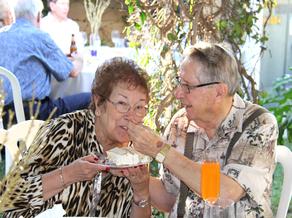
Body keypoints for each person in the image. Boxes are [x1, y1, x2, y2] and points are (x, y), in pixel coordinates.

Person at [128, 42, 278, 217]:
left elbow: (223, 192)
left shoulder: (258, 123)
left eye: (188, 86)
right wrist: (133, 176)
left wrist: (161, 150)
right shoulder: (180, 123)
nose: (178, 93)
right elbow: (169, 199)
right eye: (179, 82)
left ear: (219, 92)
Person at [1, 57, 151, 217]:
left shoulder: (135, 155)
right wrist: (69, 174)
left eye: (139, 107)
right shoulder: (65, 130)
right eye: (122, 104)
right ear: (99, 103)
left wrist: (141, 192)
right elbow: (8, 196)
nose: (131, 116)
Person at [0, 0, 90, 128]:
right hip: (36, 114)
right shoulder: (39, 36)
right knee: (91, 99)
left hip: (4, 116)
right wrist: (80, 58)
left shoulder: (1, 36)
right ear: (38, 16)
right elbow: (72, 71)